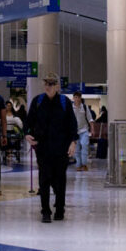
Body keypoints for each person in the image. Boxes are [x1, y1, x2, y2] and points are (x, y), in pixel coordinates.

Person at [25, 72, 78, 223]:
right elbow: (28, 122)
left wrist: (73, 142)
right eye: (46, 83)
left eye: (51, 84)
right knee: (44, 179)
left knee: (60, 180)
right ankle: (45, 211)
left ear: (57, 86)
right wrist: (27, 134)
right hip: (42, 148)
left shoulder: (64, 102)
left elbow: (72, 125)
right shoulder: (38, 101)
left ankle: (60, 209)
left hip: (61, 148)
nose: (47, 86)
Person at [71, 91, 94, 172]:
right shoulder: (70, 108)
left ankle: (84, 164)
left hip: (84, 130)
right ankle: (78, 165)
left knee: (84, 145)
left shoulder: (84, 107)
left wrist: (92, 129)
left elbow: (90, 118)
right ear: (73, 98)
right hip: (74, 131)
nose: (77, 99)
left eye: (78, 97)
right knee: (76, 149)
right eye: (75, 97)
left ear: (80, 98)